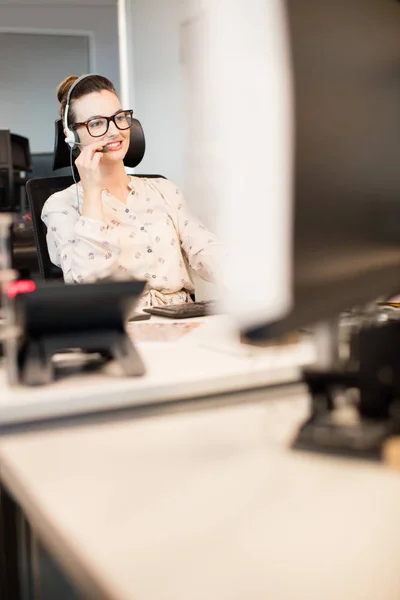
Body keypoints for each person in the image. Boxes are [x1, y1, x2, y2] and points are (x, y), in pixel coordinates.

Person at [42, 74, 223, 309]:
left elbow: (204, 249)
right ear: (72, 136)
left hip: (182, 316)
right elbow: (88, 284)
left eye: (119, 117)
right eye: (96, 123)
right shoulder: (61, 205)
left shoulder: (162, 189)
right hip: (119, 323)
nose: (115, 131)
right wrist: (93, 192)